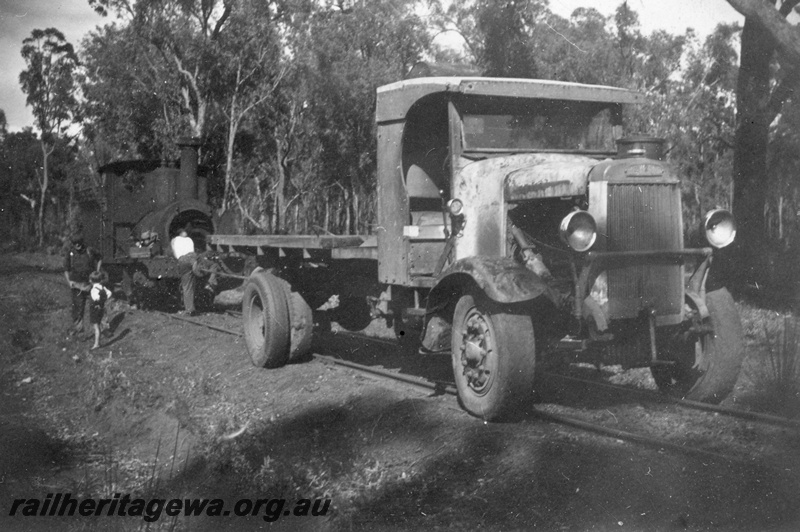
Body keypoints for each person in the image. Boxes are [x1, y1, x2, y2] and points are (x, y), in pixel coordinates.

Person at [171, 226, 218, 315]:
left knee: (187, 286)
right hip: (193, 258)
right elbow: (192, 251)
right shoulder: (189, 239)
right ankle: (211, 282)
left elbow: (174, 253)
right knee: (213, 265)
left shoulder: (174, 240)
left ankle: (190, 309)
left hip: (182, 261)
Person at [64, 234, 102, 337]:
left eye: (79, 243)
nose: (78, 245)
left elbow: (99, 259)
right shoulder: (70, 253)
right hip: (77, 285)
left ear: (82, 242)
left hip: (91, 284)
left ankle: (102, 328)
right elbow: (66, 270)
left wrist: (97, 273)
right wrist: (69, 282)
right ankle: (78, 330)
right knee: (77, 309)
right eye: (75, 243)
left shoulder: (90, 250)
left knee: (97, 306)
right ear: (73, 244)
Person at [88, 270, 113, 350]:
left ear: (91, 280)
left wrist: (98, 300)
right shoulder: (102, 287)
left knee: (96, 326)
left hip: (95, 309)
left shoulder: (94, 289)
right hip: (101, 308)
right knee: (100, 322)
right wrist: (104, 298)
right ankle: (100, 337)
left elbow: (95, 298)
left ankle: (96, 343)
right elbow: (109, 293)